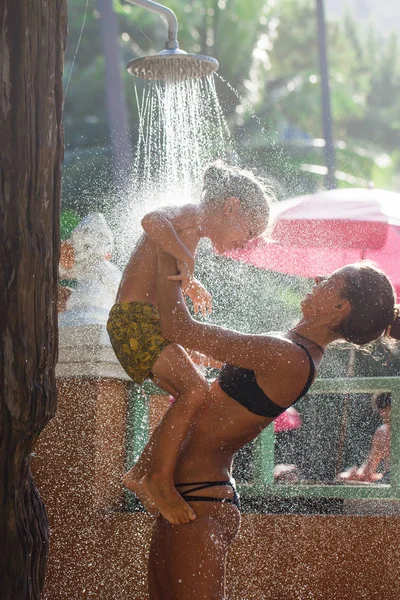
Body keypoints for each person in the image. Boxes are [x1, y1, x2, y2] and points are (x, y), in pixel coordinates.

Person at [147, 253, 400, 599]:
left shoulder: (289, 356)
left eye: (328, 280)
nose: (317, 279)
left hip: (199, 499)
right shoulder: (289, 347)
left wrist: (169, 249)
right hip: (187, 494)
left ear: (339, 306)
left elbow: (177, 327)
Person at [107, 160, 272, 523]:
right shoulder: (188, 215)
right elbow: (151, 220)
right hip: (135, 323)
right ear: (231, 207)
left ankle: (142, 473)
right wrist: (184, 258)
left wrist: (187, 280)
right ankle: (156, 478)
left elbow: (161, 276)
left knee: (198, 392)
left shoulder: (191, 233)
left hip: (145, 324)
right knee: (195, 390)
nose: (245, 243)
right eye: (248, 231)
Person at [337, 392, 391, 483]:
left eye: (386, 407)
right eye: (380, 408)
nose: (382, 412)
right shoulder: (383, 434)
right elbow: (367, 472)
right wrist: (352, 475)